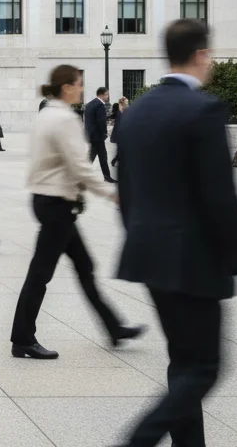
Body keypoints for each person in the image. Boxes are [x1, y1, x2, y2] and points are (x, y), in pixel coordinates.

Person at [114, 20, 237, 447]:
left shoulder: (137, 111)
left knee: (183, 362)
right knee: (203, 368)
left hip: (148, 256)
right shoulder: (203, 109)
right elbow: (220, 197)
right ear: (200, 55)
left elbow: (126, 191)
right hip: (192, 261)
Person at [10, 65, 145, 360]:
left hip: (47, 201)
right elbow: (80, 166)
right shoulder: (64, 119)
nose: (82, 89)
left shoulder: (45, 114)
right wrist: (111, 192)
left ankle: (114, 328)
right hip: (57, 204)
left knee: (84, 267)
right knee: (41, 273)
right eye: (79, 84)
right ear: (67, 87)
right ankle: (22, 338)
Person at [83, 87, 114, 183]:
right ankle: (81, 175)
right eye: (107, 94)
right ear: (102, 95)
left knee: (100, 156)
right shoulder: (100, 105)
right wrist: (104, 133)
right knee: (98, 156)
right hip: (97, 136)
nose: (108, 97)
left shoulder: (89, 104)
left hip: (91, 135)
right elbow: (101, 122)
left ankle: (107, 176)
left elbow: (88, 120)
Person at [109, 97, 128, 167]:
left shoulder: (124, 110)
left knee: (121, 149)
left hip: (122, 133)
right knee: (121, 149)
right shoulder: (119, 111)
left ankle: (115, 160)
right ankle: (116, 161)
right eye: (126, 101)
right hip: (119, 133)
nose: (127, 103)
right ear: (123, 103)